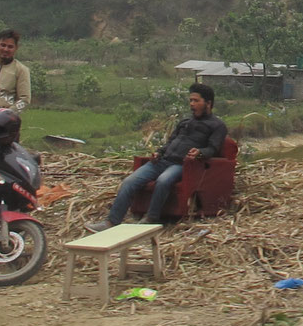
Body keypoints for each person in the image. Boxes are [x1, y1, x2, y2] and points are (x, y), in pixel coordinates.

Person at [91, 83, 227, 228]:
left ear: (208, 103)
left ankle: (151, 218)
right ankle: (111, 221)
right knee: (129, 182)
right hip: (162, 161)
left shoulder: (217, 126)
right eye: (190, 100)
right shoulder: (185, 121)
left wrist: (200, 153)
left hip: (183, 165)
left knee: (163, 180)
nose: (192, 104)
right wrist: (159, 152)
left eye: (196, 101)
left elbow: (212, 149)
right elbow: (171, 141)